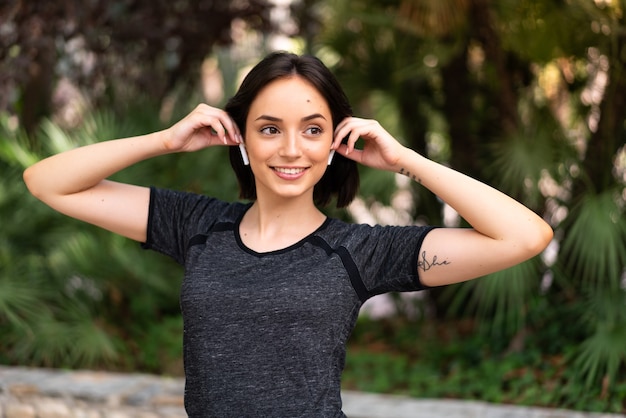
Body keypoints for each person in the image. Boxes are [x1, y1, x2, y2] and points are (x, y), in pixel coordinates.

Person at [23, 51, 553, 417]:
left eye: (313, 130)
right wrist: (165, 140)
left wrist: (406, 160)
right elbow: (48, 182)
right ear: (242, 139)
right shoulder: (198, 226)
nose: (292, 150)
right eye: (270, 128)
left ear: (334, 143)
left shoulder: (359, 252)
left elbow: (524, 236)